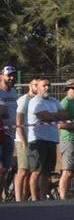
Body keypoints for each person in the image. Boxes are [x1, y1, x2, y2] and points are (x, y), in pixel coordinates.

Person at [26, 78, 64, 201]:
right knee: (37, 170)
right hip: (38, 140)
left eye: (48, 85)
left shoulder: (54, 101)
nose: (47, 87)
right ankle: (34, 198)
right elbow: (44, 117)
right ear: (37, 87)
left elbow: (65, 114)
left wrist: (52, 116)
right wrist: (54, 116)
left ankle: (42, 198)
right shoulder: (35, 101)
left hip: (52, 139)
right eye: (44, 85)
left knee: (47, 172)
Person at [56, 79, 74, 198]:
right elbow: (60, 124)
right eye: (73, 88)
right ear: (67, 90)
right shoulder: (65, 103)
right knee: (67, 171)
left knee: (73, 171)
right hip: (68, 139)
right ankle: (62, 198)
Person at [13, 80, 35, 201]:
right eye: (34, 85)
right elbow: (19, 122)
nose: (37, 87)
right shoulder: (24, 100)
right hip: (22, 139)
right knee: (23, 169)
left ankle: (25, 197)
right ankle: (18, 199)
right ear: (30, 86)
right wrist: (23, 141)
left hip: (34, 139)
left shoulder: (37, 101)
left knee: (30, 171)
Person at [0, 66, 17, 199]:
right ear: (2, 76)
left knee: (6, 167)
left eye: (13, 75)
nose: (11, 78)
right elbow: (3, 113)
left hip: (10, 134)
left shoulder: (14, 92)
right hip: (0, 134)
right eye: (9, 75)